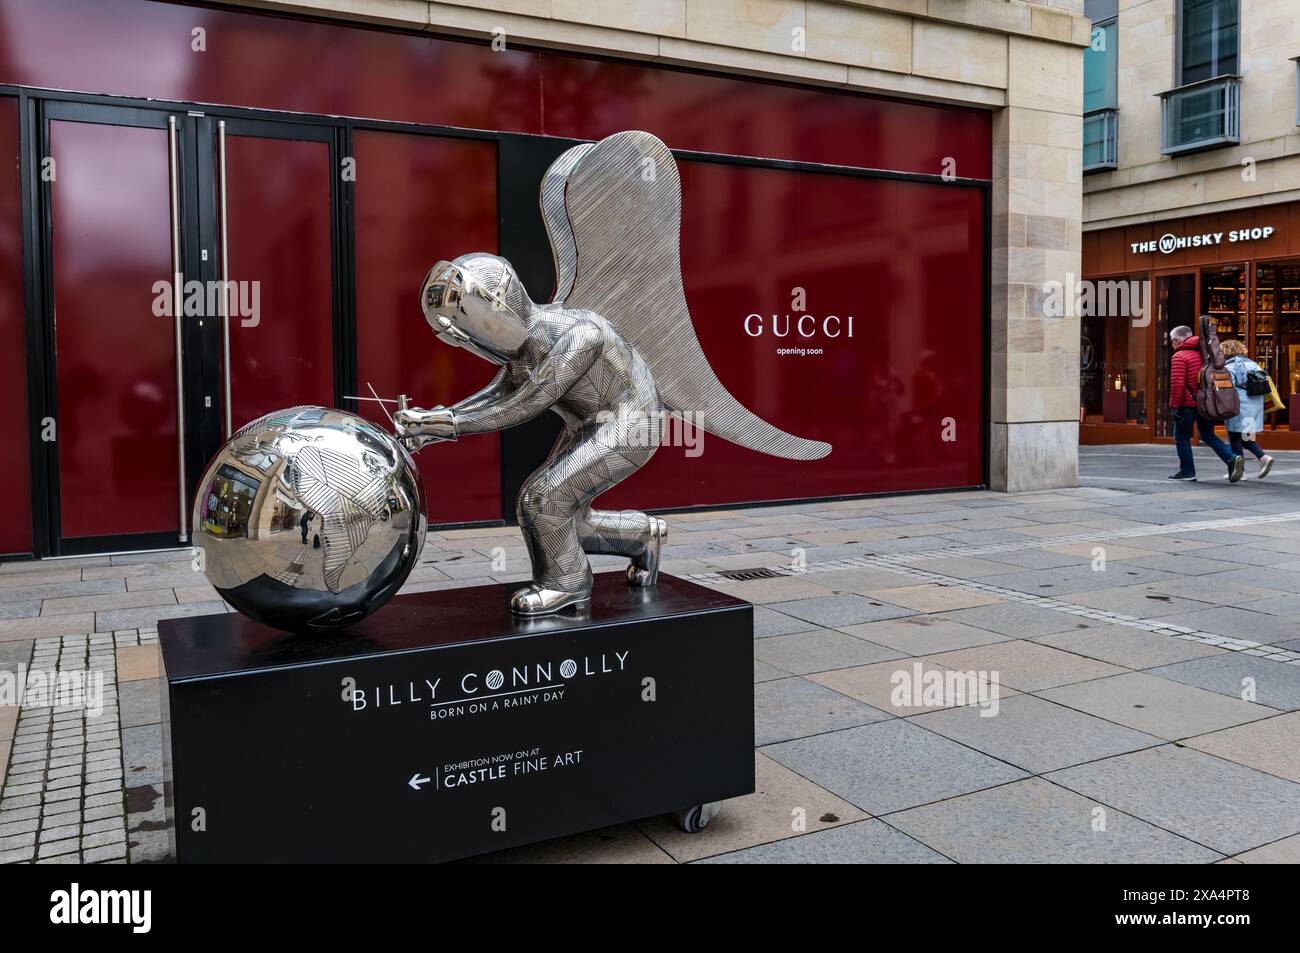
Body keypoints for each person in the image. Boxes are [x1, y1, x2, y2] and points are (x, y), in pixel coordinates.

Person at [1167, 324, 1244, 482]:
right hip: (1207, 402)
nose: (1172, 344)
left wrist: (1175, 406)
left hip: (1187, 403)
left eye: (1172, 341)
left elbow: (1177, 384)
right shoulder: (1206, 353)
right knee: (1207, 434)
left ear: (1178, 340)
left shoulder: (1179, 356)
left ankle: (1187, 471)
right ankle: (1231, 457)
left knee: (1181, 435)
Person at [1221, 338, 1275, 479]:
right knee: (1246, 437)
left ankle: (1241, 470)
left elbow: (1227, 389)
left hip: (1239, 406)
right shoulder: (1253, 364)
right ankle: (1262, 458)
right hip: (1255, 406)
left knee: (1234, 436)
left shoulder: (1229, 367)